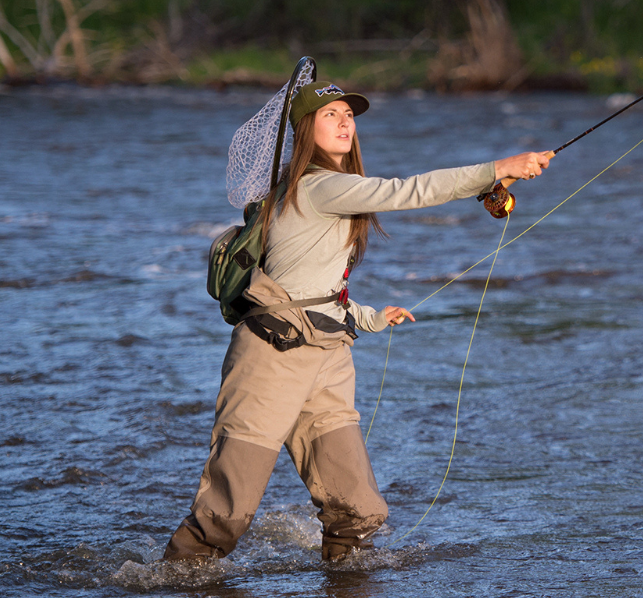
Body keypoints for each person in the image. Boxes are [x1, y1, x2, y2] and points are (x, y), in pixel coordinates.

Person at [164, 80, 552, 562]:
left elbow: (312, 283)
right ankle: (171, 582)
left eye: (349, 114)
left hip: (327, 355)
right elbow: (406, 191)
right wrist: (498, 168)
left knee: (358, 511)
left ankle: (345, 582)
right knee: (225, 514)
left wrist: (366, 316)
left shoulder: (326, 189)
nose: (346, 121)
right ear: (306, 129)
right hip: (272, 357)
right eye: (331, 115)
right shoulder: (317, 185)